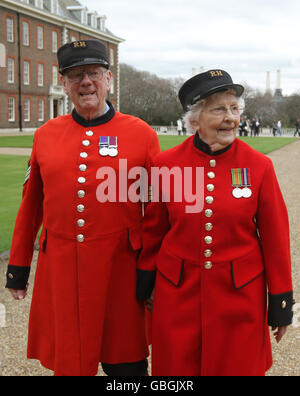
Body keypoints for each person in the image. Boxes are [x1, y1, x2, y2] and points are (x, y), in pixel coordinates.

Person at [5, 40, 160, 376]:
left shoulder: (141, 134)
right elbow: (32, 204)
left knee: (128, 367)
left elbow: (159, 211)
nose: (85, 82)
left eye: (93, 73)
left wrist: (156, 271)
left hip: (122, 270)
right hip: (62, 270)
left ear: (108, 79)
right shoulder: (46, 135)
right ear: (64, 84)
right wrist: (18, 266)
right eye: (75, 75)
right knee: (72, 364)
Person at [136, 69, 294, 376]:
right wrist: (145, 284)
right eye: (219, 109)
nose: (231, 118)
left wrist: (280, 301)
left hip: (239, 298)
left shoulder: (259, 166)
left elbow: (276, 237)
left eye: (234, 108)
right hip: (177, 294)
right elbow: (154, 230)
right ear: (194, 119)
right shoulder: (166, 165)